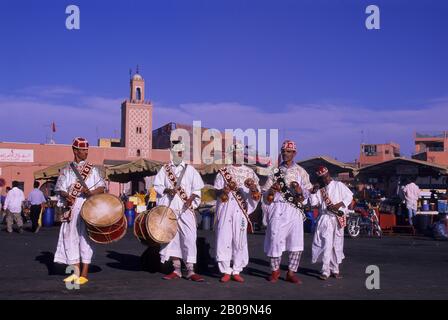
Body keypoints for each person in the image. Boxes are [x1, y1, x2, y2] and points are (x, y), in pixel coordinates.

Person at [54, 137, 106, 285]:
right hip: (71, 209)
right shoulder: (66, 170)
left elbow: (102, 187)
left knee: (85, 239)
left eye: (87, 150)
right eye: (83, 150)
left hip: (87, 207)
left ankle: (84, 273)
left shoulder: (93, 169)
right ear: (75, 150)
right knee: (69, 239)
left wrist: (90, 192)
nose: (86, 152)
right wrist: (67, 195)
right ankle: (75, 273)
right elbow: (59, 188)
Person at [153, 140, 205, 282]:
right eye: (176, 152)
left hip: (185, 210)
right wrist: (166, 189)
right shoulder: (164, 169)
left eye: (181, 152)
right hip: (170, 210)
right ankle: (176, 270)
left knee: (189, 238)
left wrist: (191, 199)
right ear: (172, 152)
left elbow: (197, 189)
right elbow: (157, 185)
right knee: (172, 239)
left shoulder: (190, 170)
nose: (179, 154)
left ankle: (190, 270)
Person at [261, 140, 312, 284]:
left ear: (294, 153)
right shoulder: (275, 172)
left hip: (294, 209)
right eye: (283, 151)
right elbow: (265, 192)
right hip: (278, 208)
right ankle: (275, 271)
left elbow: (308, 191)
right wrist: (273, 190)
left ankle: (291, 272)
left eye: (288, 151)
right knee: (275, 240)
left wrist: (299, 191)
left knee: (295, 242)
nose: (285, 153)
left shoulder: (301, 171)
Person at [214, 143, 261, 283]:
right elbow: (215, 191)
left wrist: (253, 188)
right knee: (224, 237)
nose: (238, 155)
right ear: (232, 154)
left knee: (239, 239)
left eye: (241, 153)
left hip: (241, 210)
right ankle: (225, 270)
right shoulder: (223, 171)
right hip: (226, 208)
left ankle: (236, 270)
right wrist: (224, 190)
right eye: (236, 153)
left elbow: (256, 194)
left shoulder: (250, 172)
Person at [310, 166, 353, 280]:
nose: (326, 179)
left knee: (337, 244)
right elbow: (314, 203)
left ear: (328, 174)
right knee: (326, 244)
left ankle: (335, 269)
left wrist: (338, 205)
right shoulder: (320, 190)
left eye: (326, 176)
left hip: (337, 218)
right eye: (323, 178)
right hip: (325, 219)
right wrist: (314, 192)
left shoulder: (339, 185)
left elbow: (349, 196)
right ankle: (325, 271)